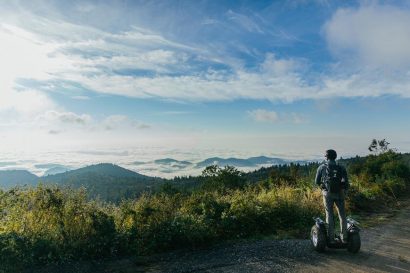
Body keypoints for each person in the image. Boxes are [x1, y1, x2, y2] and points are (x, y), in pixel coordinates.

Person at [315, 149, 349, 243]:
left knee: (329, 214)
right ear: (335, 157)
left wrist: (323, 188)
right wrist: (344, 191)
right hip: (340, 193)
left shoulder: (322, 167)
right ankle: (344, 238)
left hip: (327, 193)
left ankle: (331, 239)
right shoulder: (341, 167)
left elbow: (316, 182)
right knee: (342, 215)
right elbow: (346, 182)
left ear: (326, 157)